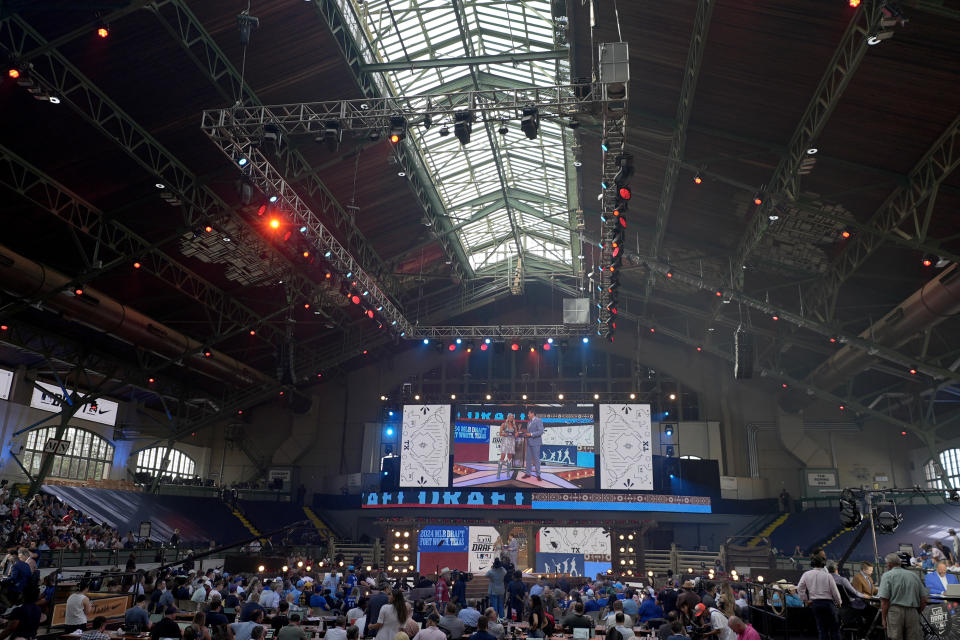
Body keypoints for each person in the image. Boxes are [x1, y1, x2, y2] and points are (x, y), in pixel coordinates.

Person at [879, 552, 927, 640]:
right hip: (913, 612)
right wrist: (917, 612)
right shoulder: (914, 575)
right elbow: (924, 600)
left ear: (889, 565)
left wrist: (883, 619)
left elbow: (885, 601)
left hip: (895, 613)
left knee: (895, 637)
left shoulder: (887, 576)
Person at [797, 555, 842, 640]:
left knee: (822, 629)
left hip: (815, 604)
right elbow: (835, 591)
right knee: (834, 629)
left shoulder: (806, 574)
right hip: (828, 604)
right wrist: (839, 602)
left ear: (812, 564)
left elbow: (799, 588)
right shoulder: (828, 576)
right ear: (823, 564)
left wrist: (805, 600)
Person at [522, 409, 544, 480]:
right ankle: (528, 473)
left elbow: (541, 431)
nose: (528, 415)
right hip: (529, 442)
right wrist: (526, 435)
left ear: (532, 414)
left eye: (529, 414)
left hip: (536, 442)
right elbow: (529, 432)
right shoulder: (529, 422)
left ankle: (538, 475)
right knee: (528, 459)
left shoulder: (538, 420)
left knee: (536, 459)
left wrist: (531, 434)